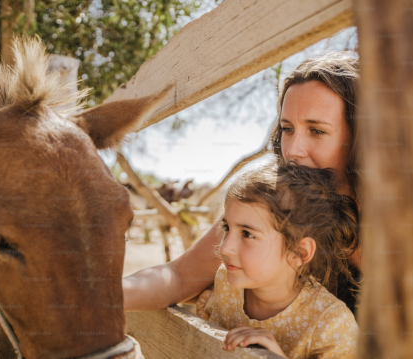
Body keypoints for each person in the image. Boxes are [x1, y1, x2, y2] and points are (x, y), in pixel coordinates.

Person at [123, 52, 362, 314]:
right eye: (287, 128)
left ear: (360, 139)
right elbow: (179, 277)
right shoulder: (271, 202)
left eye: (316, 131)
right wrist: (95, 298)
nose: (293, 151)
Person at [195, 160, 359, 358]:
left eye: (247, 234)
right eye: (227, 228)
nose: (225, 247)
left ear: (299, 252)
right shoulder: (225, 283)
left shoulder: (331, 324)